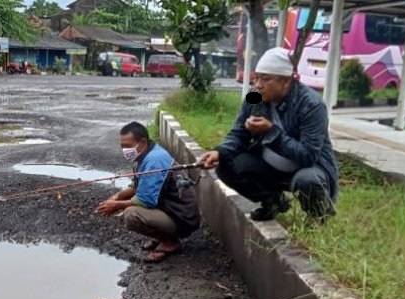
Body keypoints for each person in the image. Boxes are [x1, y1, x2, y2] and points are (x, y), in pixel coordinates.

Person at [199, 47, 339, 222]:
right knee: (226, 163)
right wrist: (219, 152)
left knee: (307, 180)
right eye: (256, 78)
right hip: (269, 165)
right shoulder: (254, 96)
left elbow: (308, 155)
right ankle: (273, 201)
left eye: (265, 79)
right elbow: (238, 133)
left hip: (305, 168)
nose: (258, 85)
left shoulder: (311, 105)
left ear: (286, 82)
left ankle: (319, 218)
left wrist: (271, 132)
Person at [96, 122, 200, 262]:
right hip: (170, 210)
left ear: (142, 141)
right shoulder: (144, 155)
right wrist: (116, 197)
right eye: (122, 147)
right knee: (129, 206)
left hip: (182, 218)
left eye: (128, 146)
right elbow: (137, 186)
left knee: (131, 214)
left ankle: (170, 243)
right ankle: (163, 236)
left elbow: (145, 200)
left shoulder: (154, 160)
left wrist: (116, 205)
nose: (125, 150)